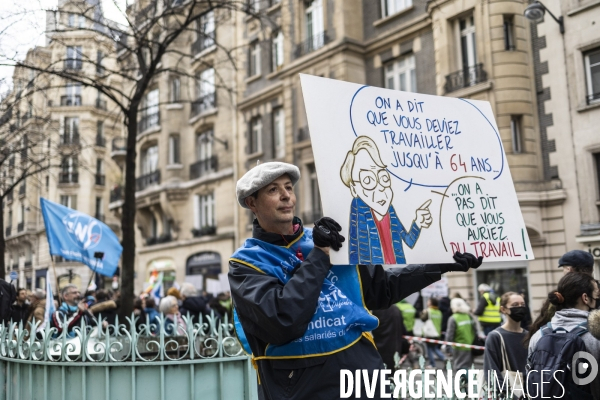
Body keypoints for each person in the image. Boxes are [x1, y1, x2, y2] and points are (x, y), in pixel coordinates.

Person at [228, 160, 484, 400]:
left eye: (288, 187)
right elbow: (283, 321)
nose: (286, 196)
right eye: (273, 190)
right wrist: (319, 255)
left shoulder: (329, 240)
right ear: (252, 203)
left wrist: (439, 264)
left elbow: (381, 289)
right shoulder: (245, 264)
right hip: (303, 388)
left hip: (364, 378)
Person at [339, 136, 433, 264]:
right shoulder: (358, 207)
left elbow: (409, 241)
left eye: (384, 178)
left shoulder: (390, 210)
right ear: (354, 189)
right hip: (377, 278)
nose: (380, 188)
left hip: (398, 274)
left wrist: (418, 223)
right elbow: (355, 251)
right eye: (367, 180)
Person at [527, 273, 600, 399]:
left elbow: (530, 378)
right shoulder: (596, 335)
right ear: (585, 298)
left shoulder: (538, 336)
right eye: (597, 295)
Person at [483, 292, 528, 395]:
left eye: (523, 304)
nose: (520, 307)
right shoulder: (495, 336)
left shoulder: (529, 336)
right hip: (508, 394)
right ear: (503, 309)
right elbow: (492, 372)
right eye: (515, 305)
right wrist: (506, 394)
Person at [445, 297, 478, 372]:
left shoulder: (453, 318)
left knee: (459, 367)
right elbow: (475, 331)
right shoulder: (468, 316)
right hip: (470, 345)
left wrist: (448, 349)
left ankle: (469, 382)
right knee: (468, 367)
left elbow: (449, 335)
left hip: (459, 347)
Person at [372, 305, 409, 372]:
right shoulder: (396, 309)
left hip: (379, 350)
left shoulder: (375, 310)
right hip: (395, 348)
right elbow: (403, 330)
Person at [420, 297, 446, 369]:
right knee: (434, 348)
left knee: (430, 350)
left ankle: (433, 364)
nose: (427, 302)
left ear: (431, 303)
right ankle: (444, 359)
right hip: (437, 333)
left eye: (428, 301)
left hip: (429, 333)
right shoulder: (439, 312)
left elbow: (422, 318)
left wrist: (423, 312)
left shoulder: (428, 311)